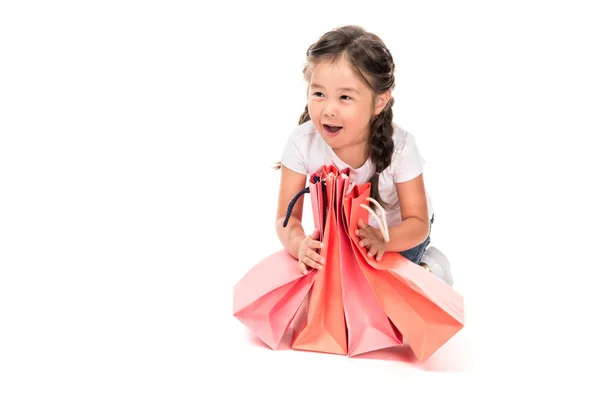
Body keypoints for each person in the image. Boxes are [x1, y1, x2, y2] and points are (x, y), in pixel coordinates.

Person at [274, 25, 453, 286]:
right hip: (344, 236)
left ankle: (430, 268)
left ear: (379, 102)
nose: (328, 110)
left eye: (345, 97)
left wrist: (384, 239)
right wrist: (299, 243)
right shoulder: (302, 142)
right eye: (319, 94)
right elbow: (286, 218)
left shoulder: (401, 147)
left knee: (384, 294)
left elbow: (417, 223)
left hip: (398, 233)